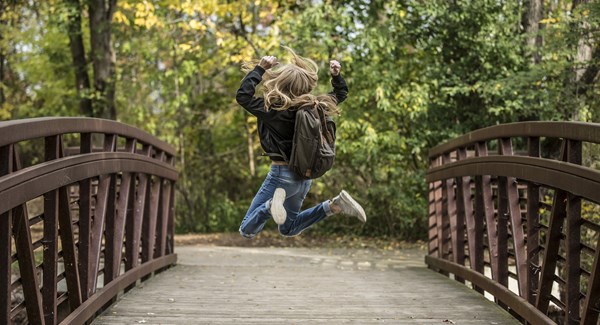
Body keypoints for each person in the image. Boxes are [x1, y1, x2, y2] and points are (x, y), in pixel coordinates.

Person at [236, 47, 366, 238]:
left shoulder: (272, 109)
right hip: (304, 178)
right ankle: (334, 205)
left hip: (281, 176)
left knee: (246, 229)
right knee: (288, 228)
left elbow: (243, 96)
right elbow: (341, 94)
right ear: (305, 85)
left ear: (281, 82)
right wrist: (336, 76)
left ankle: (271, 205)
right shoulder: (316, 106)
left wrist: (260, 68)